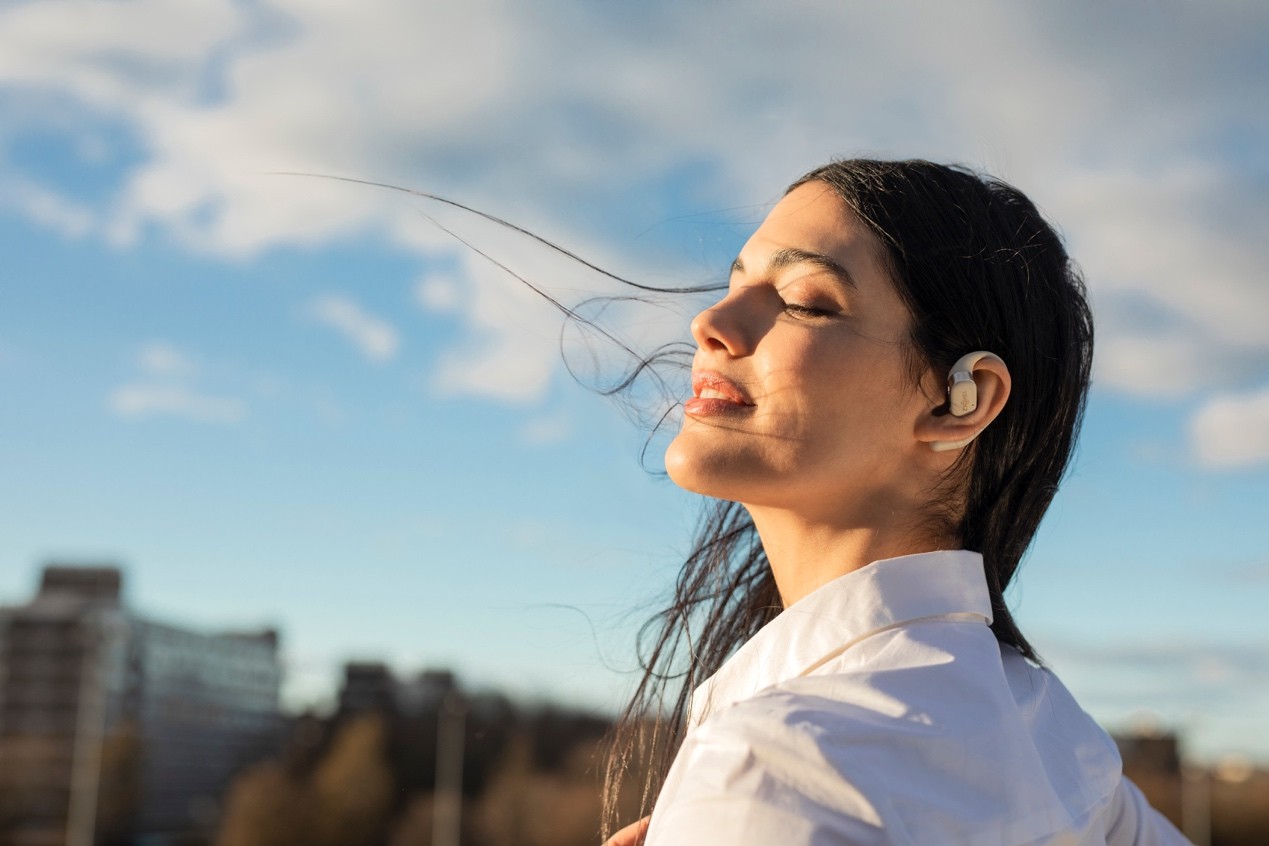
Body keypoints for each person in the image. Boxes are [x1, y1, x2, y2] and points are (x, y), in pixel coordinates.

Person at [600, 160, 1191, 845]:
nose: (710, 321)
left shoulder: (778, 769)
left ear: (956, 402)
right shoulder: (1059, 742)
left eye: (804, 301)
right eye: (734, 284)